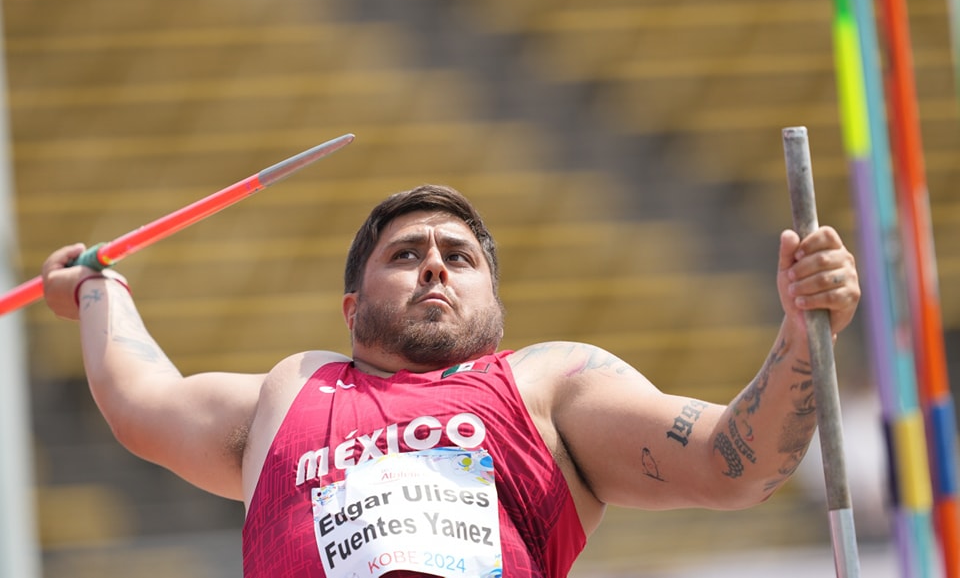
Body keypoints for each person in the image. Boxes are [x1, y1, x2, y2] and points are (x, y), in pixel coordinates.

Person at [41, 184, 860, 578]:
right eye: (406, 253)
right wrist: (97, 289)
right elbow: (142, 400)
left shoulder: (547, 385)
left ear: (494, 305)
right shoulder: (291, 389)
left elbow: (731, 462)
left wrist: (801, 334)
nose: (434, 263)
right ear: (352, 307)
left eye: (458, 257)